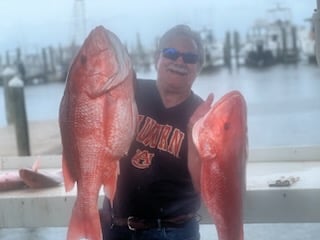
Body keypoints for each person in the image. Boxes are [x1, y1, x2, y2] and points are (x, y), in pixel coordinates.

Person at [101, 24, 214, 240]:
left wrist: (195, 132)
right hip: (114, 226)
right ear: (157, 58)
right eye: (171, 53)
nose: (179, 61)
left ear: (198, 67)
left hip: (172, 231)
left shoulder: (203, 116)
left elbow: (206, 186)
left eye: (190, 58)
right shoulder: (129, 91)